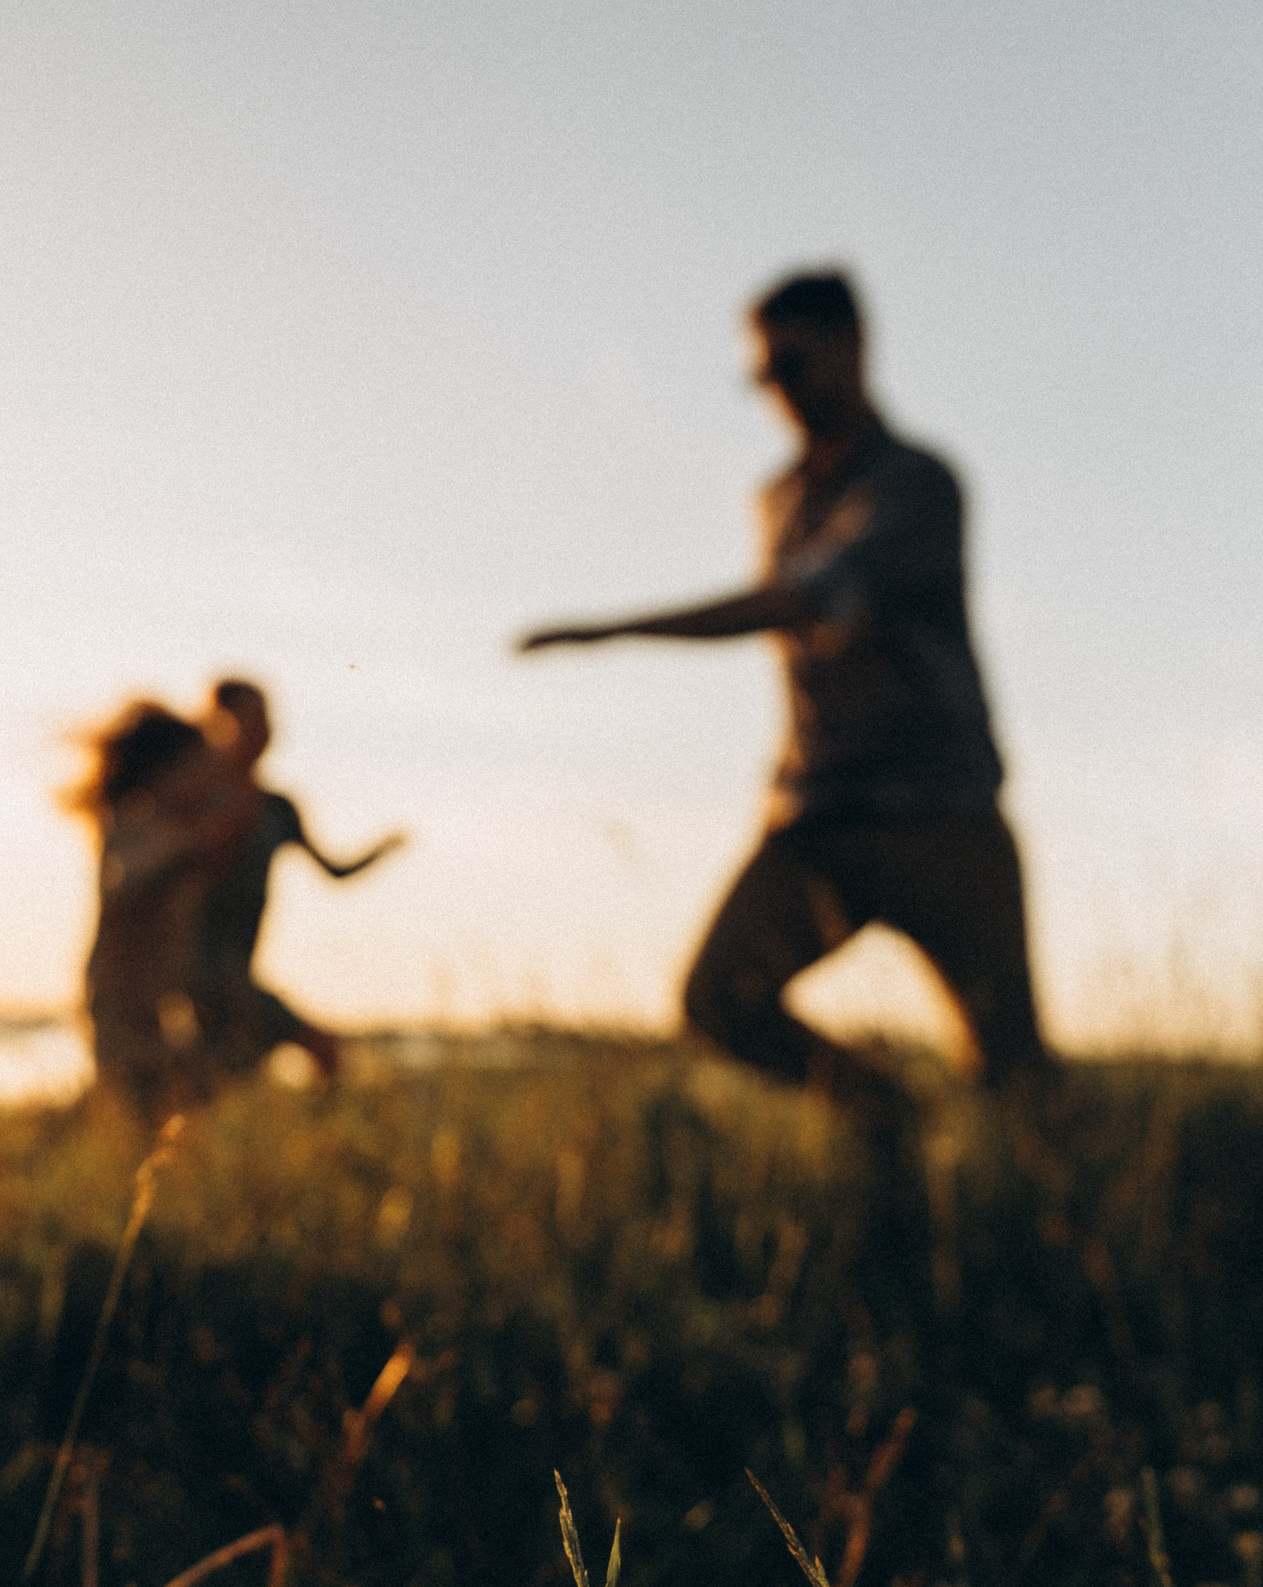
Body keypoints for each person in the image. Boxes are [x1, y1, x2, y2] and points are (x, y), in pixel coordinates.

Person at [521, 270, 1050, 1119]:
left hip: (940, 817)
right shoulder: (778, 500)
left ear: (854, 346)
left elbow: (807, 597)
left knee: (1017, 1078)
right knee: (719, 1000)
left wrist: (615, 629)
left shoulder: (917, 483)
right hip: (817, 818)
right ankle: (890, 1122)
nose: (778, 392)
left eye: (793, 365)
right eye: (761, 377)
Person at [190, 679, 405, 1084]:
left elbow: (335, 872)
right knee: (319, 1049)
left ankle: (320, 1146)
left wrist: (382, 850)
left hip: (240, 975)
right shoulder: (194, 802)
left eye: (267, 717)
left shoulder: (277, 809)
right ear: (217, 723)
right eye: (250, 717)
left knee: (222, 1086)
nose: (263, 728)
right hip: (196, 976)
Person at [70, 701, 254, 1122]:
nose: (207, 781)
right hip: (117, 1008)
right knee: (134, 1121)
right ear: (165, 772)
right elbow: (128, 882)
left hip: (162, 1013)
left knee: (175, 1116)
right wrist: (193, 849)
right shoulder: (130, 825)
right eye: (198, 769)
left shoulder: (178, 829)